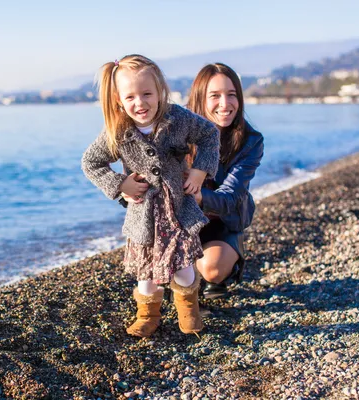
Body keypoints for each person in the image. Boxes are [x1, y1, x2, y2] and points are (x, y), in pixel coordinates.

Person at [81, 54, 220, 337]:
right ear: (119, 99)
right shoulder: (118, 132)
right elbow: (90, 163)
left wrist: (199, 172)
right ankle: (148, 314)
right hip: (143, 216)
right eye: (130, 97)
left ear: (160, 92)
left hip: (178, 211)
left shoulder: (178, 119)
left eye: (147, 94)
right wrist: (120, 185)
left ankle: (188, 310)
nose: (140, 103)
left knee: (182, 268)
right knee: (145, 273)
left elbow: (209, 135)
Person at [187, 63, 264, 299]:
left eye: (232, 95)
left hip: (225, 219)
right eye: (215, 96)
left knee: (213, 269)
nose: (225, 104)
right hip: (183, 222)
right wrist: (125, 189)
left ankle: (223, 262)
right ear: (200, 98)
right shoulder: (178, 129)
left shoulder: (250, 141)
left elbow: (230, 197)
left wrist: (197, 195)